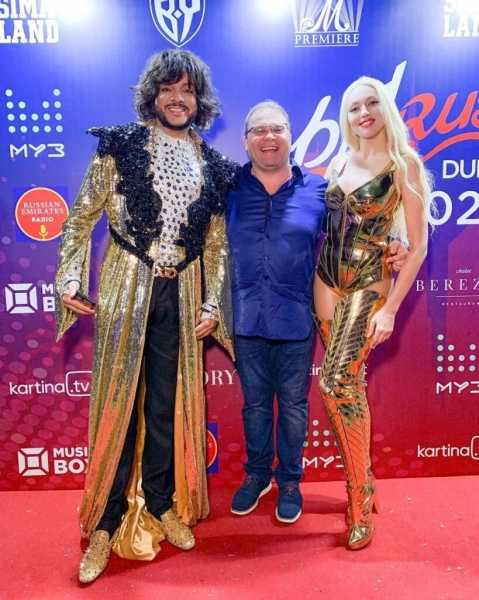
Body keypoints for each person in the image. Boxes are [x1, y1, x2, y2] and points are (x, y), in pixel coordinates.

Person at [55, 49, 240, 583]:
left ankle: (160, 503)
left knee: (165, 404)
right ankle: (105, 522)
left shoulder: (213, 165)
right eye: (168, 89)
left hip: (182, 294)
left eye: (188, 91)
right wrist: (70, 277)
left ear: (199, 101)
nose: (178, 99)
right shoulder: (119, 145)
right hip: (126, 288)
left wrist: (213, 303)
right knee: (120, 403)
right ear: (153, 95)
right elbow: (80, 219)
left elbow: (217, 245)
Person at [226, 101, 408, 524]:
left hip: (296, 317)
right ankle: (257, 476)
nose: (269, 137)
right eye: (259, 130)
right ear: (246, 140)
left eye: (277, 128)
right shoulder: (229, 187)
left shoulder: (320, 190)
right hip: (245, 316)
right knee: (255, 405)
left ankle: (290, 482)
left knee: (293, 406)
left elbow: (361, 226)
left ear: (290, 136)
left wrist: (397, 239)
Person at [313, 76, 432, 550]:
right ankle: (365, 479)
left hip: (371, 281)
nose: (363, 113)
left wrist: (392, 310)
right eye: (354, 107)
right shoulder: (339, 161)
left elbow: (418, 247)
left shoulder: (405, 165)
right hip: (325, 281)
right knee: (349, 386)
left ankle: (358, 496)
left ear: (384, 109)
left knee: (334, 382)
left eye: (371, 104)